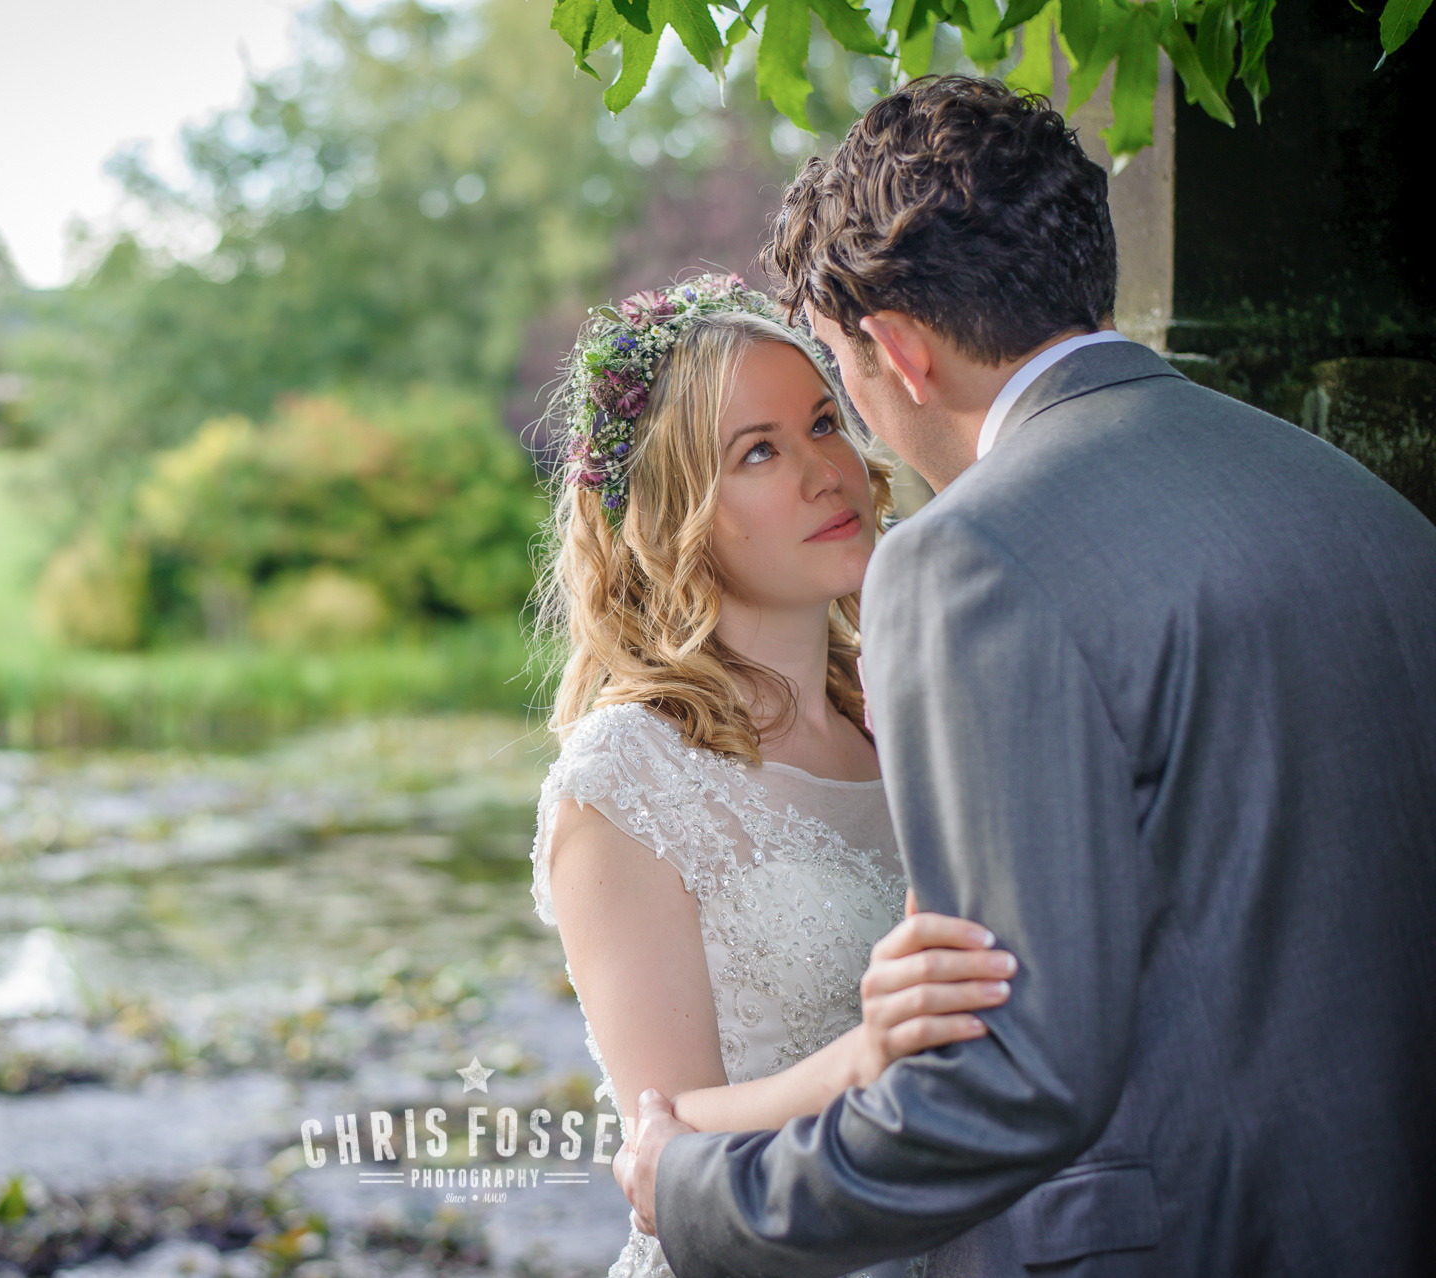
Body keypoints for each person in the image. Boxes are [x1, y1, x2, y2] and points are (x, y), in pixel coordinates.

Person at [611, 77, 1436, 1275]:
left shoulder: (969, 558)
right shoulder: (1365, 503)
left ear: (899, 351)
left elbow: (1015, 1080)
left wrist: (701, 1194)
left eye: (839, 381)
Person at [530, 272, 1020, 1278]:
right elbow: (665, 1129)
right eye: (759, 450)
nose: (825, 471)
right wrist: (868, 1056)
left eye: (824, 423)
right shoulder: (625, 779)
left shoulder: (916, 704)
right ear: (677, 510)